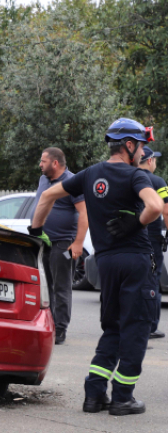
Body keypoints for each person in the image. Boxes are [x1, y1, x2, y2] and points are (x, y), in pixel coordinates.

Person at [30, 118, 162, 416]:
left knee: (112, 328)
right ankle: (123, 398)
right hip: (135, 261)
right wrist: (136, 222)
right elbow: (154, 206)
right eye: (141, 147)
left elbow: (48, 195)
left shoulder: (90, 174)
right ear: (129, 145)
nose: (143, 153)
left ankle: (94, 395)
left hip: (106, 263)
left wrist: (36, 232)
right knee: (137, 328)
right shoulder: (134, 176)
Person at [30, 147, 88, 345]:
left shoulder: (72, 183)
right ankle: (48, 324)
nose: (40, 164)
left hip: (63, 242)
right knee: (44, 287)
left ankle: (60, 329)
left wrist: (78, 243)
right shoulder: (43, 180)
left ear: (55, 163)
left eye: (43, 161)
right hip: (42, 241)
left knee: (61, 288)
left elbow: (84, 213)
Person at [137, 145, 167, 339]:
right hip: (151, 240)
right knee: (152, 280)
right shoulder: (158, 182)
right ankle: (150, 326)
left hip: (131, 237)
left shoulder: (127, 177)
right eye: (154, 159)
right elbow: (165, 210)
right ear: (149, 161)